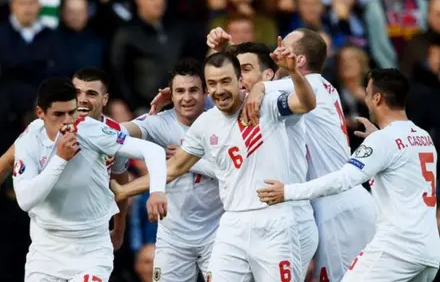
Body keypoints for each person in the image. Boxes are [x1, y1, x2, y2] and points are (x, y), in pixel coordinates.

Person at [112, 48, 317, 282]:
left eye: (225, 82)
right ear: (207, 89)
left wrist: (292, 73)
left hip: (274, 221)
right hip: (231, 225)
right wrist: (123, 190)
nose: (219, 90)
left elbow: (306, 102)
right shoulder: (205, 124)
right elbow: (174, 168)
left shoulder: (267, 104)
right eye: (213, 84)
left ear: (240, 81)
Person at [208, 27, 378, 282]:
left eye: (283, 46)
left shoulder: (304, 85)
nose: (277, 51)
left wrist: (259, 86)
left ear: (299, 61)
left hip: (338, 207)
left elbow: (252, 84)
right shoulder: (317, 85)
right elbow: (250, 78)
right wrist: (229, 51)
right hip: (340, 202)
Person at [258, 68, 440, 282]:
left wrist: (287, 191)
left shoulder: (383, 141)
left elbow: (342, 179)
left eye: (367, 92)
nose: (365, 97)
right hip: (429, 253)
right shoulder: (423, 138)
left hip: (397, 250)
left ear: (377, 98)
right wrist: (379, 141)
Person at [13, 77, 168, 282]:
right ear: (41, 113)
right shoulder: (29, 140)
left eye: (72, 112)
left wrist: (157, 191)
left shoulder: (91, 129)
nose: (68, 121)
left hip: (91, 248)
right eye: (58, 114)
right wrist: (60, 159)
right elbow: (25, 200)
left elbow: (153, 150)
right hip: (46, 251)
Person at [0, 68, 131, 249]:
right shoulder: (42, 126)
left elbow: (120, 185)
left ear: (105, 99)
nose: (82, 99)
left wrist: (119, 229)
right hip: (47, 226)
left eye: (91, 94)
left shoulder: (115, 134)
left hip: (89, 229)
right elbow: (3, 164)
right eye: (77, 92)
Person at [122, 58, 222, 282]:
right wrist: (91, 124)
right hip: (173, 237)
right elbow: (121, 131)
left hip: (218, 232)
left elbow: (230, 170)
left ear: (205, 91)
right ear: (171, 94)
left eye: (193, 90)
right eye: (180, 91)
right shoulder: (158, 123)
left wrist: (186, 158)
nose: (187, 98)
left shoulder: (221, 119)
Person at [230, 41, 319, 278]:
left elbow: (305, 103)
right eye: (236, 71)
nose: (239, 78)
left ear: (268, 75)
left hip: (291, 218)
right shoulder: (233, 114)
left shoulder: (277, 100)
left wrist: (263, 86)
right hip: (253, 221)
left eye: (246, 70)